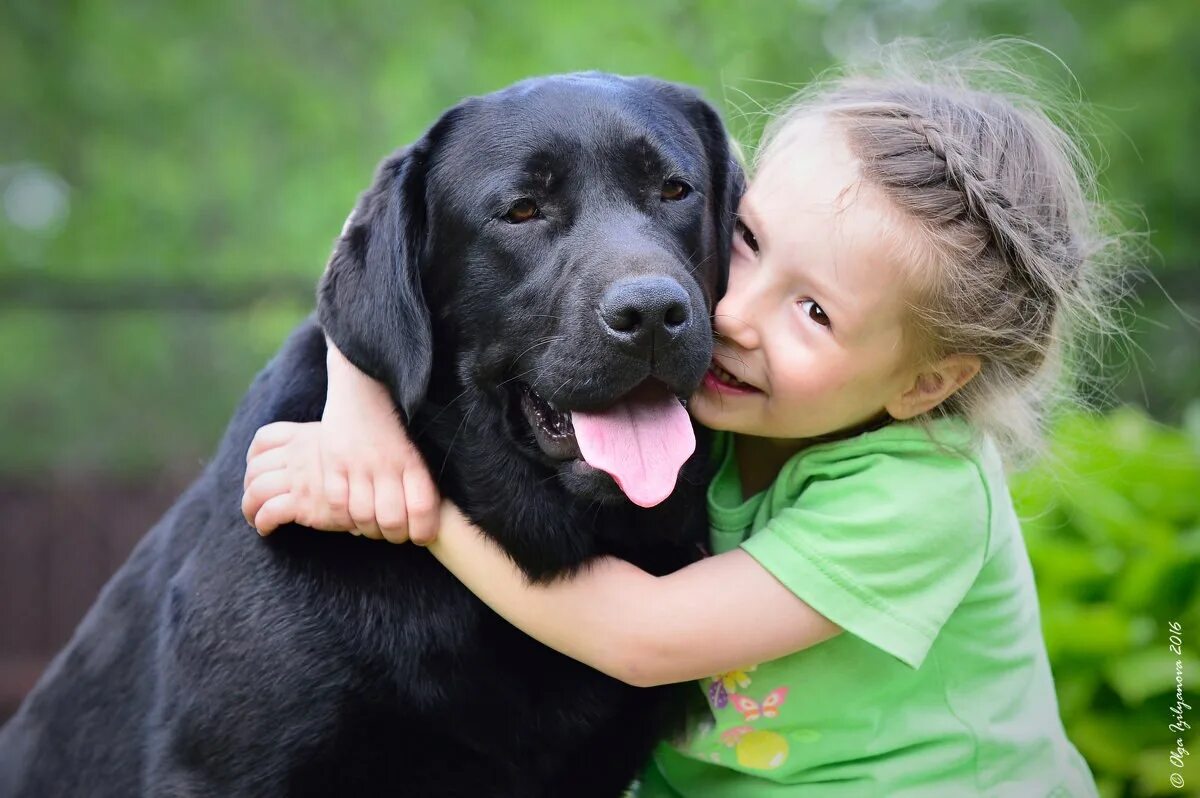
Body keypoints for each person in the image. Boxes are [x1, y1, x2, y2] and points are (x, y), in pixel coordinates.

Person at [241, 44, 1125, 796]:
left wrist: (414, 505)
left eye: (815, 313)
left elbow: (642, 638)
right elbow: (389, 235)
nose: (733, 317)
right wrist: (358, 407)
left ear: (926, 385)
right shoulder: (738, 400)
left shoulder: (920, 494)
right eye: (746, 243)